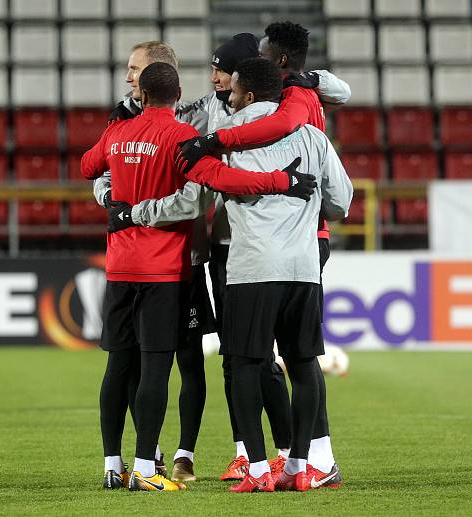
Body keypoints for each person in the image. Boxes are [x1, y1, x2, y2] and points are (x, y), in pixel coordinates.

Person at [82, 62, 307, 492]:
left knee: (116, 366)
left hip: (118, 266)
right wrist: (280, 180)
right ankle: (147, 470)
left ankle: (114, 465)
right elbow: (220, 179)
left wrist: (114, 184)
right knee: (155, 369)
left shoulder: (117, 132)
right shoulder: (184, 137)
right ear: (178, 93)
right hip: (165, 269)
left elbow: (88, 166)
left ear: (142, 95)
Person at [177, 21, 348, 485]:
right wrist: (303, 202)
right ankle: (302, 465)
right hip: (304, 264)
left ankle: (255, 466)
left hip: (251, 266)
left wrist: (201, 157)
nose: (225, 96)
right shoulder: (313, 134)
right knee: (304, 363)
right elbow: (342, 201)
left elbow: (210, 177)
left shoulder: (230, 136)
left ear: (247, 95)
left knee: (246, 363)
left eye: (231, 90)